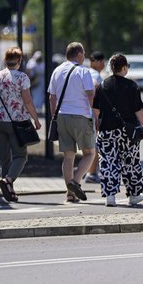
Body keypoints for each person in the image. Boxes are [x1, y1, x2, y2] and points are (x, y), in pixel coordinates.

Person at [0, 47, 42, 203]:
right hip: (17, 122)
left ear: (5, 61)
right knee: (20, 156)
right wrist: (36, 119)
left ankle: (9, 191)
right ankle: (8, 181)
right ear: (19, 61)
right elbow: (27, 101)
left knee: (4, 159)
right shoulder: (22, 77)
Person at [92, 53, 143, 207]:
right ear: (124, 67)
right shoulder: (131, 86)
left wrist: (97, 124)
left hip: (107, 131)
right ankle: (133, 195)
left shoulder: (102, 86)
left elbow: (96, 111)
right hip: (128, 132)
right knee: (130, 162)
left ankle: (110, 196)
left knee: (107, 162)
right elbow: (139, 110)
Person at [47, 42, 96, 203]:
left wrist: (54, 115)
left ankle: (70, 193)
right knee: (90, 153)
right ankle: (75, 182)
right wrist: (95, 115)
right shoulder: (83, 71)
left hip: (62, 117)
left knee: (68, 157)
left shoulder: (57, 71)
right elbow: (90, 95)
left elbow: (51, 97)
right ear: (80, 55)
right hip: (80, 116)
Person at [84, 51, 107, 184]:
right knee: (95, 145)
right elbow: (96, 96)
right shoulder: (96, 76)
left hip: (81, 113)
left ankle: (88, 171)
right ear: (96, 62)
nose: (103, 64)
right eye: (102, 61)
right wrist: (98, 115)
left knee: (88, 145)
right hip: (92, 114)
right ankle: (91, 173)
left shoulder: (85, 73)